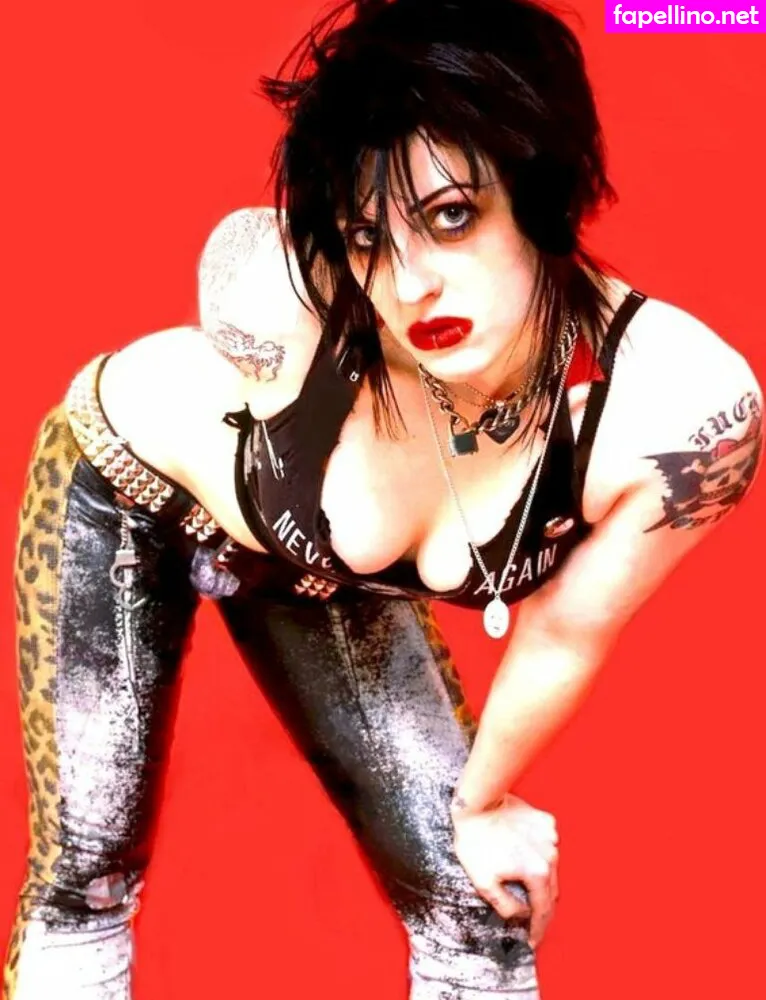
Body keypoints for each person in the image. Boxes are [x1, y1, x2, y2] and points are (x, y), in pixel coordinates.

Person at [2, 0, 762, 997]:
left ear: (542, 191)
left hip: (316, 573)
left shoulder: (677, 412)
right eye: (367, 237)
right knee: (83, 890)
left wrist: (482, 802)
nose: (410, 287)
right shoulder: (285, 295)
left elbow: (565, 631)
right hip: (123, 493)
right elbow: (240, 269)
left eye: (451, 216)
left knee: (482, 914)